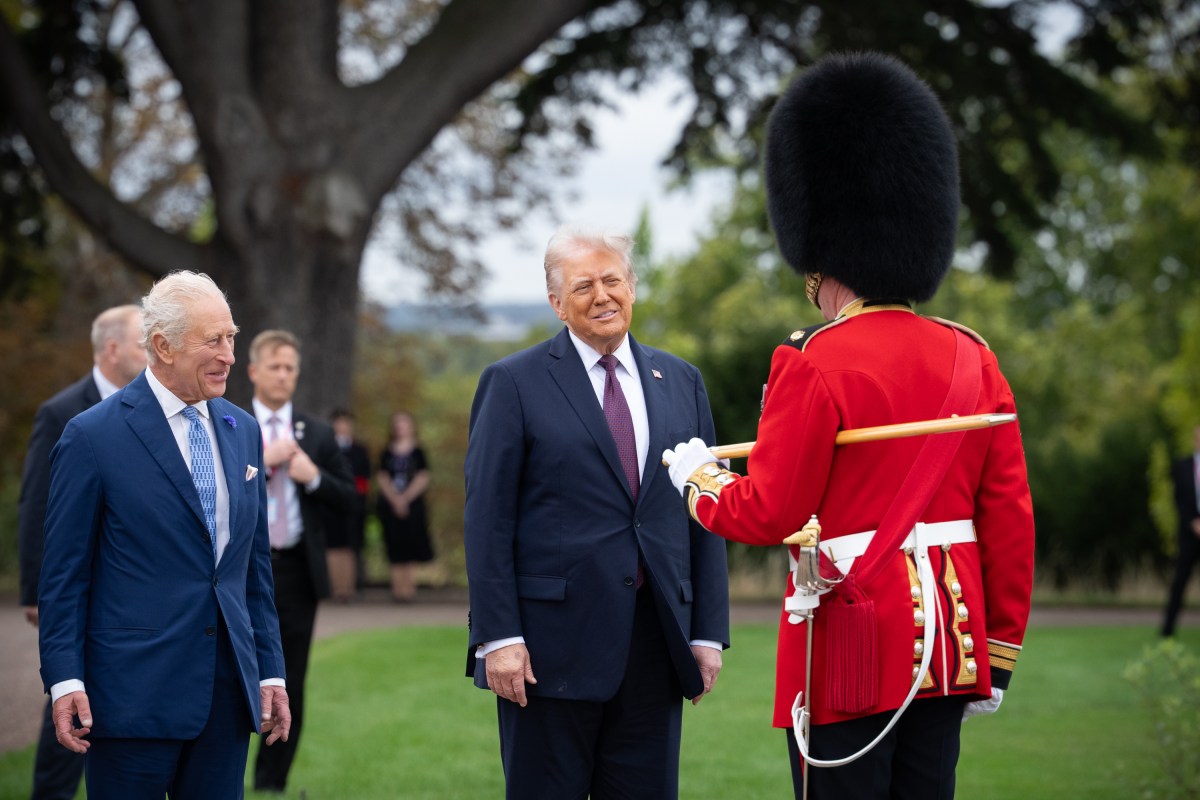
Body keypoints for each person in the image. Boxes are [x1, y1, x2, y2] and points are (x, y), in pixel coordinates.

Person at [662, 52, 1036, 799]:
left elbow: (771, 509)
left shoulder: (814, 361)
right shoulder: (974, 358)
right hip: (951, 646)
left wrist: (697, 477)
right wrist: (997, 651)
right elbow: (1009, 520)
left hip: (853, 648)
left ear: (823, 261)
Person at [464, 224, 731, 799]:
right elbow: (487, 520)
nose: (603, 296)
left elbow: (706, 511)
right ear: (557, 303)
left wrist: (707, 632)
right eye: (583, 286)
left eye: (613, 280)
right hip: (545, 652)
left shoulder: (682, 381)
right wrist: (498, 638)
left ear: (633, 287)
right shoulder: (512, 382)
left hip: (656, 645)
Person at [37, 271, 291, 800]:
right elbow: (63, 577)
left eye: (231, 338)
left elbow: (252, 571)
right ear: (163, 346)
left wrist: (271, 673)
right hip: (131, 700)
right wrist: (65, 680)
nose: (229, 355)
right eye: (213, 341)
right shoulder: (91, 436)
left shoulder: (242, 430)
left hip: (226, 701)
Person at [17, 304, 145, 800]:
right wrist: (34, 590)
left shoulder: (151, 409)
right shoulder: (61, 411)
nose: (151, 349)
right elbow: (35, 503)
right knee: (70, 693)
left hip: (125, 584)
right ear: (112, 349)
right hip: (76, 581)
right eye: (141, 341)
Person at [246, 329, 356, 793]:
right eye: (274, 366)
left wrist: (312, 478)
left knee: (289, 679)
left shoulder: (318, 432)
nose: (283, 375)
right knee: (228, 672)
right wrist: (261, 460)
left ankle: (271, 783)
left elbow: (350, 500)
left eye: (291, 367)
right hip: (238, 572)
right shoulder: (230, 425)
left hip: (293, 572)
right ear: (252, 371)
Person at [375, 411, 433, 602]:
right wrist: (395, 499)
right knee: (394, 546)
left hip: (413, 506)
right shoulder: (387, 452)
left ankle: (409, 589)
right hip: (390, 507)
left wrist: (405, 499)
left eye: (404, 423)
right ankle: (397, 589)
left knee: (410, 546)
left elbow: (423, 477)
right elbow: (382, 477)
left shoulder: (419, 452)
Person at [330, 408, 372, 601]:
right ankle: (335, 588)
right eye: (339, 422)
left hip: (353, 505)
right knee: (332, 547)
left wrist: (353, 498)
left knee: (350, 547)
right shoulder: (328, 448)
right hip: (330, 505)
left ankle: (348, 588)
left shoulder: (359, 450)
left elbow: (364, 479)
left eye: (346, 423)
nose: (342, 426)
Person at [1162, 425, 1200, 636]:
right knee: (1180, 580)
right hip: (1189, 533)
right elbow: (1179, 499)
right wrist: (1193, 522)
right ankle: (1167, 629)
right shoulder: (1183, 465)